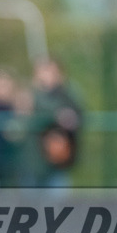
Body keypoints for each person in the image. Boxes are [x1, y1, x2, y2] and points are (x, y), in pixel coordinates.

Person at [29, 57, 83, 188]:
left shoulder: (68, 93)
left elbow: (78, 115)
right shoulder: (31, 94)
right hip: (33, 161)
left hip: (58, 162)